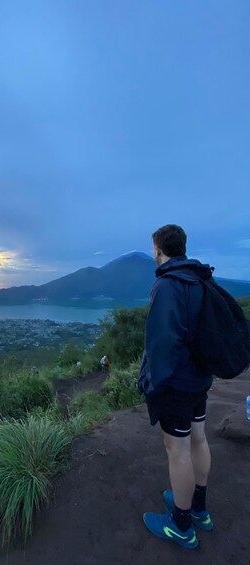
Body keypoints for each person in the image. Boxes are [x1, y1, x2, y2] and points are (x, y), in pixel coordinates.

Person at [138, 224, 214, 550]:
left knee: (177, 451)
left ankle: (181, 525)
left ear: (159, 249)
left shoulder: (167, 285)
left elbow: (160, 343)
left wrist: (153, 383)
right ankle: (198, 507)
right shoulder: (200, 278)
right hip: (199, 380)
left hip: (176, 385)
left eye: (154, 248)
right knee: (198, 439)